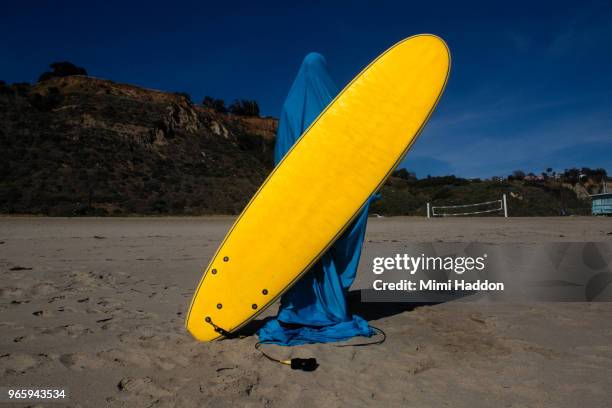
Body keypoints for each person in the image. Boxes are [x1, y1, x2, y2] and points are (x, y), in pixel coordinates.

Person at [258, 52, 378, 346]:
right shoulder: (339, 105)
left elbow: (283, 157)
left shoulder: (290, 107)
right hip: (336, 196)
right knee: (330, 247)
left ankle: (297, 309)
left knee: (304, 250)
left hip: (301, 195)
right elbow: (356, 154)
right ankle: (332, 307)